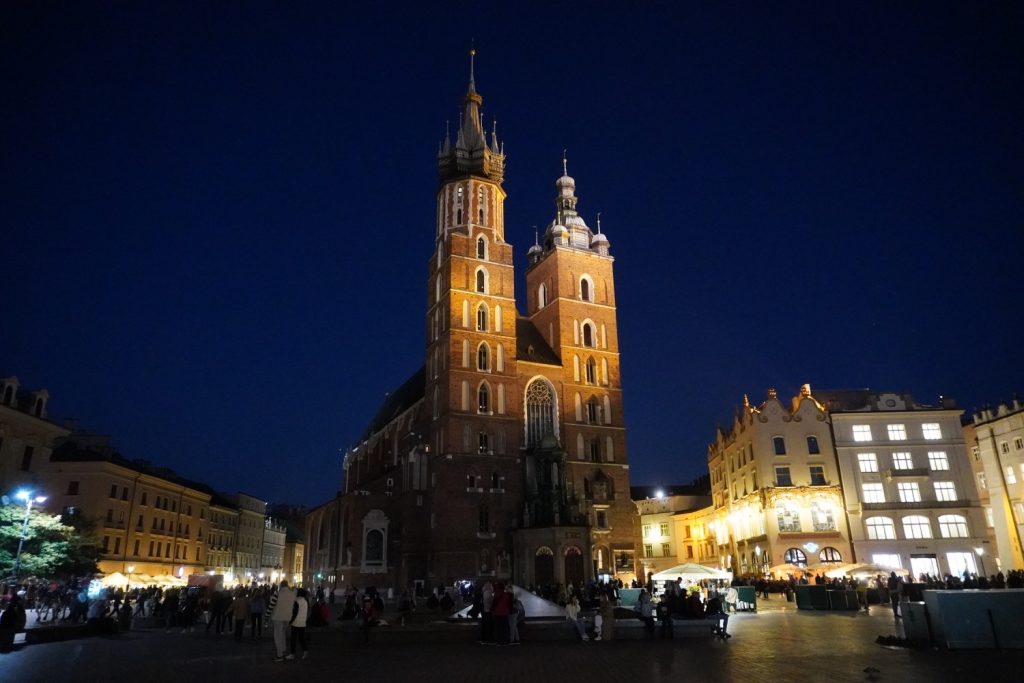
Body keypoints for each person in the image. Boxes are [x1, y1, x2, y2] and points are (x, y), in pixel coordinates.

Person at [267, 581, 296, 662]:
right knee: (283, 634)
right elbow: (294, 605)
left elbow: (271, 605)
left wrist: (267, 615)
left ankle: (279, 655)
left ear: (281, 585)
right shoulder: (292, 594)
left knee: (277, 636)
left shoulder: (277, 593)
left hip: (278, 617)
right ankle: (283, 649)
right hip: (288, 617)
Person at [288, 588, 310, 660]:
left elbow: (294, 613)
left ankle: (292, 654)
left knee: (293, 639)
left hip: (296, 623)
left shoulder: (297, 601)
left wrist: (290, 621)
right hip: (303, 622)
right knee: (302, 638)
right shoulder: (305, 601)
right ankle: (305, 651)